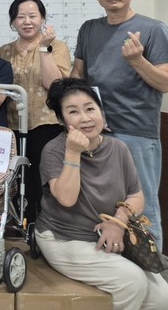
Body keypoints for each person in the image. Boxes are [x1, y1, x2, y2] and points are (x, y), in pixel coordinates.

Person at [35, 78, 168, 310]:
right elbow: (66, 198)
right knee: (132, 282)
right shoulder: (54, 150)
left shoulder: (118, 148)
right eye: (73, 112)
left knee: (162, 298)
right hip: (63, 238)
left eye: (90, 108)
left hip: (109, 237)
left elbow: (136, 196)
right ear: (61, 120)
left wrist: (118, 222)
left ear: (101, 111)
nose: (85, 118)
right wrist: (73, 153)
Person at [71, 0, 168, 251]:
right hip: (96, 132)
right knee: (101, 201)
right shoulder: (89, 29)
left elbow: (164, 83)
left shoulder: (153, 29)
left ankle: (152, 266)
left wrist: (137, 60)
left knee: (142, 203)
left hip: (136, 132)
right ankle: (110, 259)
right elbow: (79, 75)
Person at [0, 0, 70, 223]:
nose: (27, 21)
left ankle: (45, 225)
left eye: (32, 16)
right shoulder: (4, 51)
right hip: (12, 126)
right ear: (13, 21)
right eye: (20, 17)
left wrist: (45, 49)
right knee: (17, 179)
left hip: (46, 125)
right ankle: (20, 224)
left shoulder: (57, 47)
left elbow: (54, 85)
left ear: (42, 19)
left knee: (42, 178)